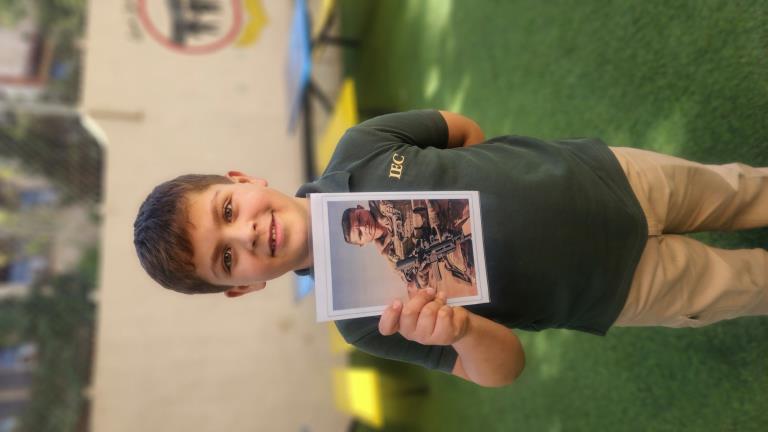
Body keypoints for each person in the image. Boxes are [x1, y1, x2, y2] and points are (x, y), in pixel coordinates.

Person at [133, 110, 768, 388]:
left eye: (227, 210)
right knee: (752, 285)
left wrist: (493, 180)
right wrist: (460, 330)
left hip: (609, 177)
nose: (244, 233)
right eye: (227, 259)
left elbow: (460, 130)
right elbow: (504, 369)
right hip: (616, 288)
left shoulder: (361, 147)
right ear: (244, 287)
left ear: (243, 180)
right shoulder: (364, 321)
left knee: (741, 190)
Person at [341, 199, 475, 296]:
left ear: (360, 207)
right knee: (473, 269)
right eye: (360, 234)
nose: (364, 227)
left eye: (359, 218)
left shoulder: (385, 199)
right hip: (448, 245)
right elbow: (419, 284)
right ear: (362, 244)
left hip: (450, 207)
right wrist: (422, 270)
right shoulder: (393, 258)